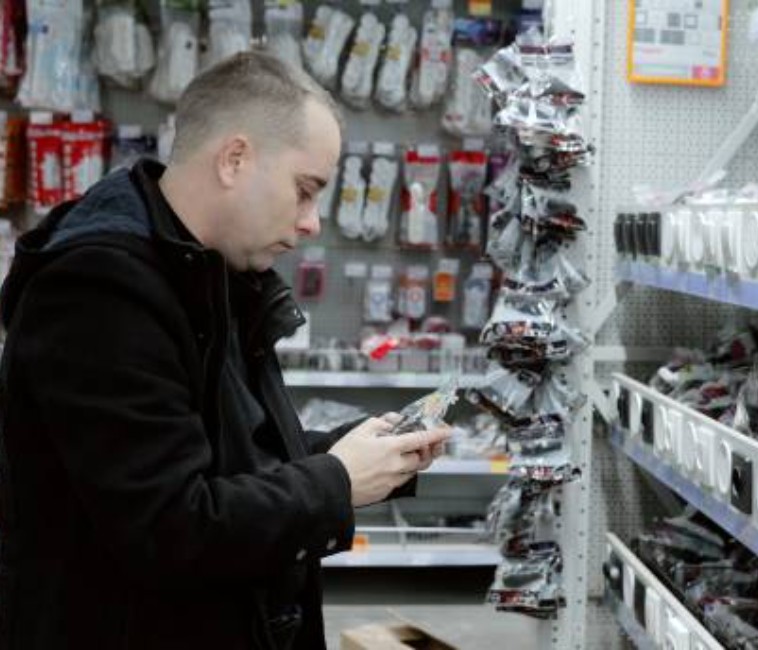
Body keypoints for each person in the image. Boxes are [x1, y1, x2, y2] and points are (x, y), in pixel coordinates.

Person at [0, 51, 450, 649]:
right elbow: (170, 525)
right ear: (235, 159)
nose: (314, 222)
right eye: (305, 190)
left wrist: (361, 456)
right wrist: (335, 482)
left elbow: (229, 453)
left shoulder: (202, 273)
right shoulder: (102, 291)